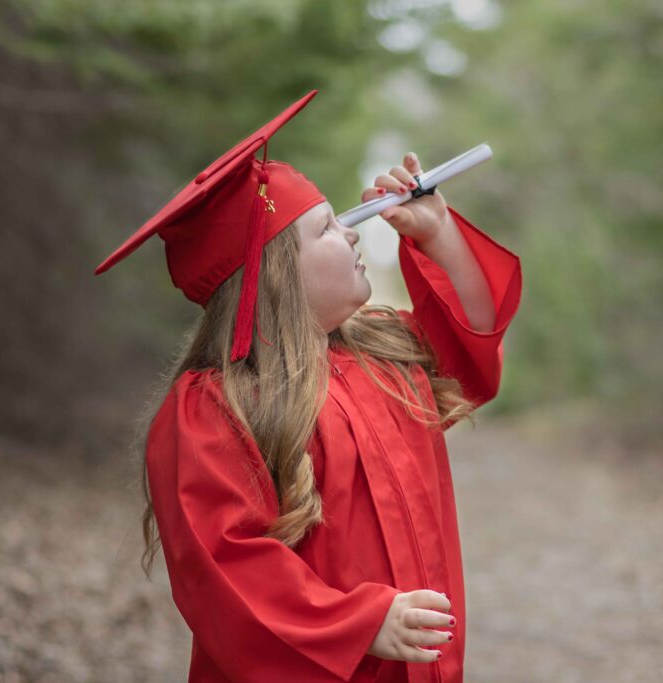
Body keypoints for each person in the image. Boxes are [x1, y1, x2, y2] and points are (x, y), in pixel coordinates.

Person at [94, 91, 522, 683]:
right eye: (329, 227)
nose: (353, 235)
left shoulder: (380, 355)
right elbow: (226, 564)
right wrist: (360, 622)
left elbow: (473, 345)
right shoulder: (217, 407)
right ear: (275, 275)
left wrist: (440, 232)